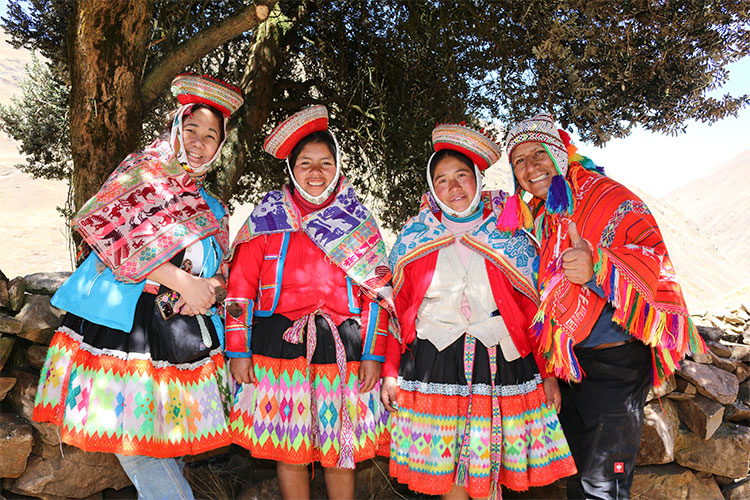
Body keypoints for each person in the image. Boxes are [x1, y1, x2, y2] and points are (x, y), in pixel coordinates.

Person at [33, 73, 244, 500]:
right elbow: (111, 240)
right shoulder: (140, 174)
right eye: (191, 130)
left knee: (171, 441)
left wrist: (213, 289)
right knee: (137, 446)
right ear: (174, 129)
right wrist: (181, 280)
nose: (199, 142)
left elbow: (222, 269)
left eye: (210, 136)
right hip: (126, 326)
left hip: (184, 333)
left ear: (220, 146)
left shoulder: (213, 206)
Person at [505, 113, 707, 499]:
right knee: (581, 481)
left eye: (538, 153)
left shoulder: (607, 196)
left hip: (615, 365)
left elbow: (654, 259)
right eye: (519, 161)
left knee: (603, 487)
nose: (530, 167)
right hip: (572, 368)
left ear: (561, 153)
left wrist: (597, 266)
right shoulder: (545, 216)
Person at [381, 123, 577, 500]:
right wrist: (390, 372)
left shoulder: (509, 233)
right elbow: (396, 312)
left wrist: (549, 373)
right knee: (449, 471)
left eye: (461, 176)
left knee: (491, 465)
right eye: (441, 181)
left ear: (477, 179)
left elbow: (532, 310)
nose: (453, 188)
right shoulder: (414, 237)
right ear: (431, 187)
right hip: (434, 363)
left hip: (500, 361)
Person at [224, 105, 396, 500]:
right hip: (279, 345)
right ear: (291, 167)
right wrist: (238, 349)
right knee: (290, 448)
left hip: (345, 347)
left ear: (337, 167)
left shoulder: (356, 220)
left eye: (325, 162)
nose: (315, 172)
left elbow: (376, 293)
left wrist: (373, 353)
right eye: (305, 163)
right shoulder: (268, 216)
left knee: (341, 448)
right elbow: (240, 287)